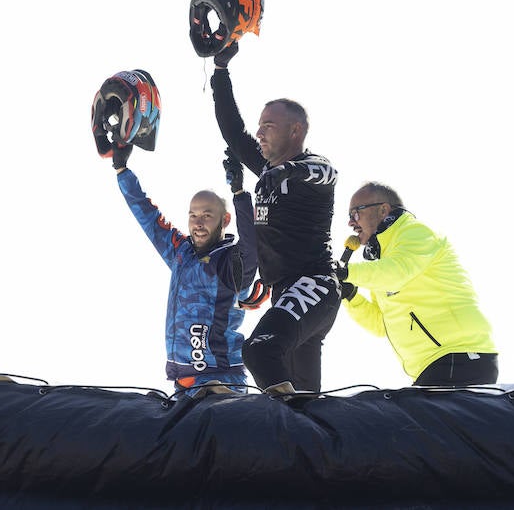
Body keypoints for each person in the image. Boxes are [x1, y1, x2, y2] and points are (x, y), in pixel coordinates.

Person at [210, 41, 339, 396]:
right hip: (287, 292)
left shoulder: (310, 169)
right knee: (305, 395)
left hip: (314, 284)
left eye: (268, 125)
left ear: (295, 131)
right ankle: (305, 441)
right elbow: (234, 132)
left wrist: (289, 174)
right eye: (260, 125)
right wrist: (220, 71)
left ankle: (291, 423)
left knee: (258, 349)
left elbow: (325, 172)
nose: (260, 133)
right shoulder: (267, 169)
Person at [111, 144, 259, 396]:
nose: (198, 223)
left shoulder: (229, 261)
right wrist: (122, 170)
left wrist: (239, 193)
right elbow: (148, 215)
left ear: (224, 220)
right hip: (183, 384)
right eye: (193, 215)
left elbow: (252, 245)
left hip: (220, 380)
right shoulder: (181, 253)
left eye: (207, 216)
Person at [333, 183, 499, 387]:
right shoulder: (381, 262)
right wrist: (351, 296)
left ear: (383, 210)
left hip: (460, 355)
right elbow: (381, 324)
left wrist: (345, 271)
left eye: (356, 213)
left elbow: (397, 272)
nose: (350, 222)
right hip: (434, 366)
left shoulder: (415, 232)